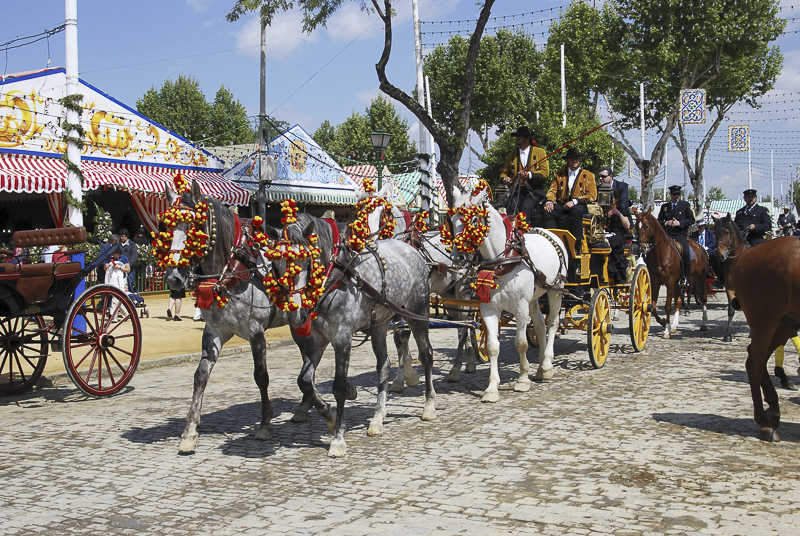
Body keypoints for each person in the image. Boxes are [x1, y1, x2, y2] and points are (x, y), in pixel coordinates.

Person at [544, 147, 597, 253]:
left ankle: (575, 246)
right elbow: (552, 190)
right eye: (572, 158)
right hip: (562, 204)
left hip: (579, 205)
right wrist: (549, 201)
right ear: (567, 160)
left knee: (576, 212)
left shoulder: (588, 175)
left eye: (577, 158)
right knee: (548, 211)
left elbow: (592, 195)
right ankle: (552, 241)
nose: (575, 161)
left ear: (580, 160)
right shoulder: (559, 174)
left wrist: (575, 201)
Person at [500, 126, 549, 227]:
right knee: (510, 207)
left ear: (526, 139)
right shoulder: (512, 155)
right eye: (516, 137)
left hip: (534, 191)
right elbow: (504, 172)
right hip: (517, 191)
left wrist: (529, 175)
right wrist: (505, 178)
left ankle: (524, 233)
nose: (517, 139)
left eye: (519, 137)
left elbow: (545, 173)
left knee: (526, 207)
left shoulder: (540, 152)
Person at [657, 185, 694, 287]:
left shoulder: (685, 205)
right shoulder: (664, 207)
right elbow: (659, 220)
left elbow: (691, 220)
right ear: (670, 195)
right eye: (674, 194)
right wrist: (666, 223)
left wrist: (679, 223)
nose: (676, 196)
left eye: (677, 194)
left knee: (686, 251)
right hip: (667, 235)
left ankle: (685, 276)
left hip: (680, 234)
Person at [605, 192, 631, 283]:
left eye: (612, 198)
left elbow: (627, 225)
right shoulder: (604, 208)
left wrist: (617, 213)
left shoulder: (623, 209)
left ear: (616, 199)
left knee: (613, 242)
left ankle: (617, 274)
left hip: (619, 233)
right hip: (606, 233)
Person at [104, 245, 130, 322]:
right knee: (118, 298)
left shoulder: (124, 258)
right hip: (112, 280)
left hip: (121, 280)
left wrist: (120, 268)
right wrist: (106, 266)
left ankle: (114, 317)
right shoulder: (110, 258)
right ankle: (127, 314)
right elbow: (105, 268)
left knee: (117, 299)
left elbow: (128, 270)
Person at [119, 228, 138, 292]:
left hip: (130, 269)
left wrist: (129, 265)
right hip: (121, 268)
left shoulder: (132, 245)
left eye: (123, 236)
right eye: (120, 236)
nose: (121, 238)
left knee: (130, 282)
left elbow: (134, 256)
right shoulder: (118, 244)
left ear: (126, 236)